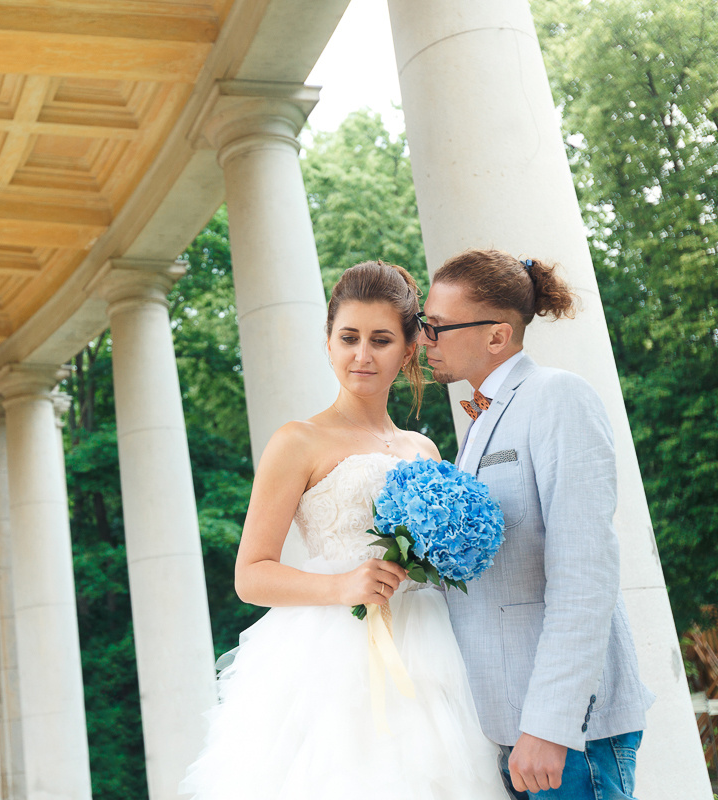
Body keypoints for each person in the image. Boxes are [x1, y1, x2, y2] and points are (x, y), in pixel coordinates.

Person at [180, 260, 511, 800]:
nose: (362, 355)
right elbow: (251, 576)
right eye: (348, 337)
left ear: (407, 350)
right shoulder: (297, 441)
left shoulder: (422, 450)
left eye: (381, 340)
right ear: (329, 344)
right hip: (331, 657)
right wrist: (343, 587)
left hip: (432, 651)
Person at [419, 248, 655, 799]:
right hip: (504, 728)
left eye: (437, 327)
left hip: (566, 736)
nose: (425, 340)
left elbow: (585, 574)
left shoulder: (557, 398)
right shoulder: (476, 425)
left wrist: (550, 725)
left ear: (497, 336)